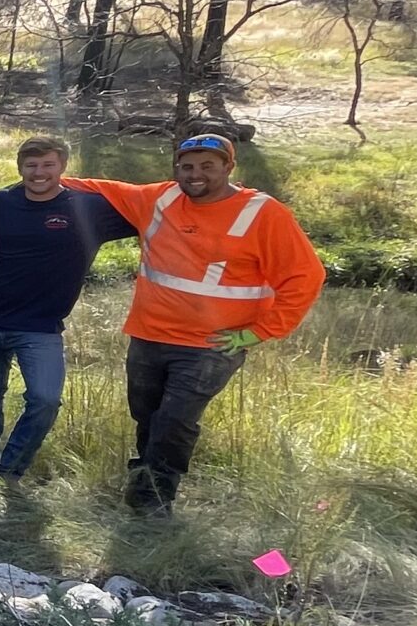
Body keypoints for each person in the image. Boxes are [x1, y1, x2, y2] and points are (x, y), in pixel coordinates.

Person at [66, 132, 327, 513]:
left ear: (228, 167)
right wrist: (38, 180)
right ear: (176, 170)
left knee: (175, 420)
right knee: (147, 416)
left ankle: (154, 503)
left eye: (208, 166)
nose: (196, 174)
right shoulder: (160, 198)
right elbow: (97, 187)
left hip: (212, 345)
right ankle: (143, 485)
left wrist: (258, 332)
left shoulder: (263, 213)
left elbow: (305, 276)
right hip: (149, 334)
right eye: (187, 167)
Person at [0, 136, 138, 482]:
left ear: (62, 166)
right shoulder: (0, 203)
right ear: (20, 168)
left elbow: (150, 212)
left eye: (47, 165)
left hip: (40, 329)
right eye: (31, 165)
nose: (38, 172)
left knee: (45, 401)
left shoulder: (89, 208)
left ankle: (10, 469)